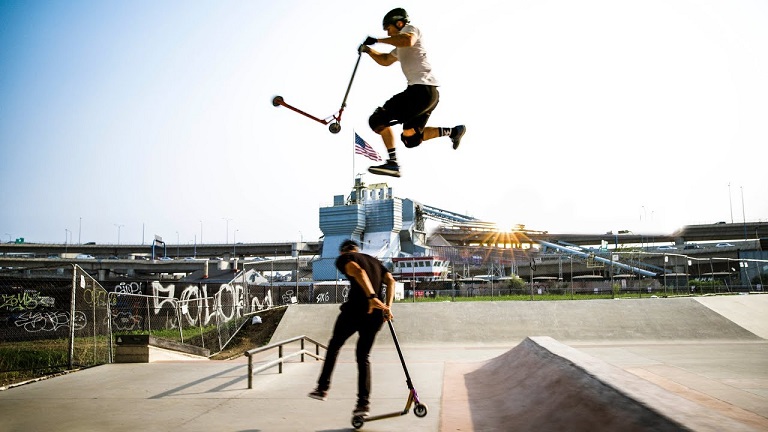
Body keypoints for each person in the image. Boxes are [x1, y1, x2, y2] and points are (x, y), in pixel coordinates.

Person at [359, 7, 465, 178]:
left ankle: (392, 164)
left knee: (377, 120)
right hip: (429, 95)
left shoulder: (410, 30)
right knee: (411, 138)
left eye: (389, 28)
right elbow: (386, 60)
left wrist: (378, 40)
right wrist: (369, 51)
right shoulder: (399, 47)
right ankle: (454, 131)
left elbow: (407, 40)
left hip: (420, 90)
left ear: (399, 23)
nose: (388, 32)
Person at [308, 239, 395, 417]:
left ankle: (322, 388)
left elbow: (358, 271)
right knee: (363, 357)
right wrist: (387, 307)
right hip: (376, 315)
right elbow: (391, 281)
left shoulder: (344, 258)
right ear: (358, 249)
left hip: (355, 311)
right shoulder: (374, 261)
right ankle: (363, 404)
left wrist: (371, 297)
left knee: (334, 346)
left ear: (343, 252)